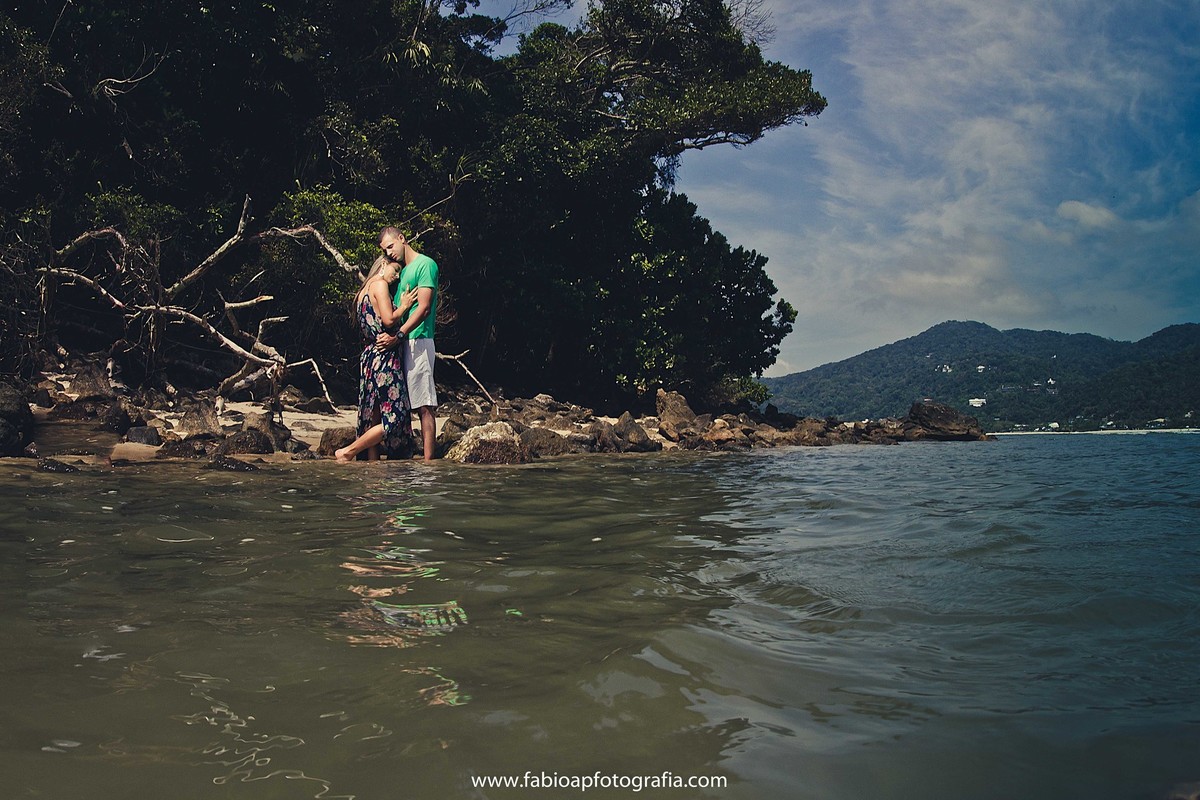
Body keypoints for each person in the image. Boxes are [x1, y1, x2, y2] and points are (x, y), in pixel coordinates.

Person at [335, 256, 419, 463]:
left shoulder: (363, 290)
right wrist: (406, 305)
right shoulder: (380, 285)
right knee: (396, 417)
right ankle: (348, 451)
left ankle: (372, 468)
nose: (397, 276)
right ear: (382, 264)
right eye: (395, 269)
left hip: (370, 355)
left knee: (372, 415)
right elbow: (388, 319)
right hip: (384, 356)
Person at [375, 226, 439, 461]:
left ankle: (428, 463)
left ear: (402, 239)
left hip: (419, 340)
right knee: (406, 404)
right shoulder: (402, 273)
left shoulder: (425, 264)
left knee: (424, 404)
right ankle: (412, 457)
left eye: (391, 246)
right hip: (403, 342)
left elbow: (423, 308)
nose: (390, 252)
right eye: (385, 250)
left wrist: (397, 336)